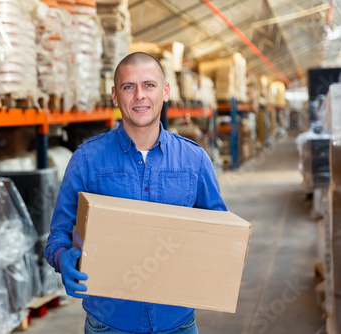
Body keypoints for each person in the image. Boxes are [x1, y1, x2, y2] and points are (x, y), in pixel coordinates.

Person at [45, 52, 227, 334]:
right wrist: (62, 258)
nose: (140, 95)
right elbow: (58, 233)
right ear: (115, 96)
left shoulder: (194, 160)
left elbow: (219, 232)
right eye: (129, 87)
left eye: (149, 85)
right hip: (110, 324)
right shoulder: (87, 159)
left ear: (165, 92)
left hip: (177, 323)